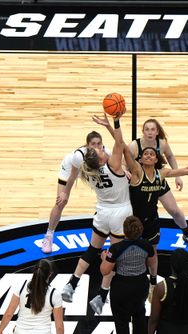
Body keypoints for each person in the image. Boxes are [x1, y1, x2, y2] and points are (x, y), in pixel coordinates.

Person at [121, 137, 188, 294]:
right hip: (134, 221)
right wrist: (114, 124)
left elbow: (187, 170)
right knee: (130, 251)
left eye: (152, 154)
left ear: (157, 159)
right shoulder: (137, 170)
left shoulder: (161, 174)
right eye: (146, 154)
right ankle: (126, 279)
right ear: (141, 159)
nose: (149, 155)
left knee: (152, 252)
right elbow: (123, 147)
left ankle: (152, 283)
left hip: (151, 220)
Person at [60, 112, 132, 315]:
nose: (101, 149)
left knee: (92, 250)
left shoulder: (87, 171)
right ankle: (101, 296)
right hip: (120, 213)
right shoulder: (114, 166)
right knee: (113, 256)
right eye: (99, 149)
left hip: (102, 212)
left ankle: (71, 284)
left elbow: (80, 158)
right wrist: (114, 122)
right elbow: (120, 142)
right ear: (100, 159)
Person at [100, 216, 157, 334]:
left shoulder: (116, 248)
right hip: (140, 285)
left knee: (121, 320)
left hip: (121, 287)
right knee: (139, 315)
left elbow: (105, 271)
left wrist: (104, 258)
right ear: (140, 230)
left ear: (124, 231)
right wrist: (153, 280)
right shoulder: (147, 246)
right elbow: (153, 263)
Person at [40, 131, 108, 254]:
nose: (97, 147)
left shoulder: (105, 152)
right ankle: (48, 236)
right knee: (61, 202)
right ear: (87, 145)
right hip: (71, 169)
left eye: (99, 143)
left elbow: (118, 163)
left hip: (91, 170)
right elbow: (72, 177)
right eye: (93, 144)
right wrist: (65, 193)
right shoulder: (78, 156)